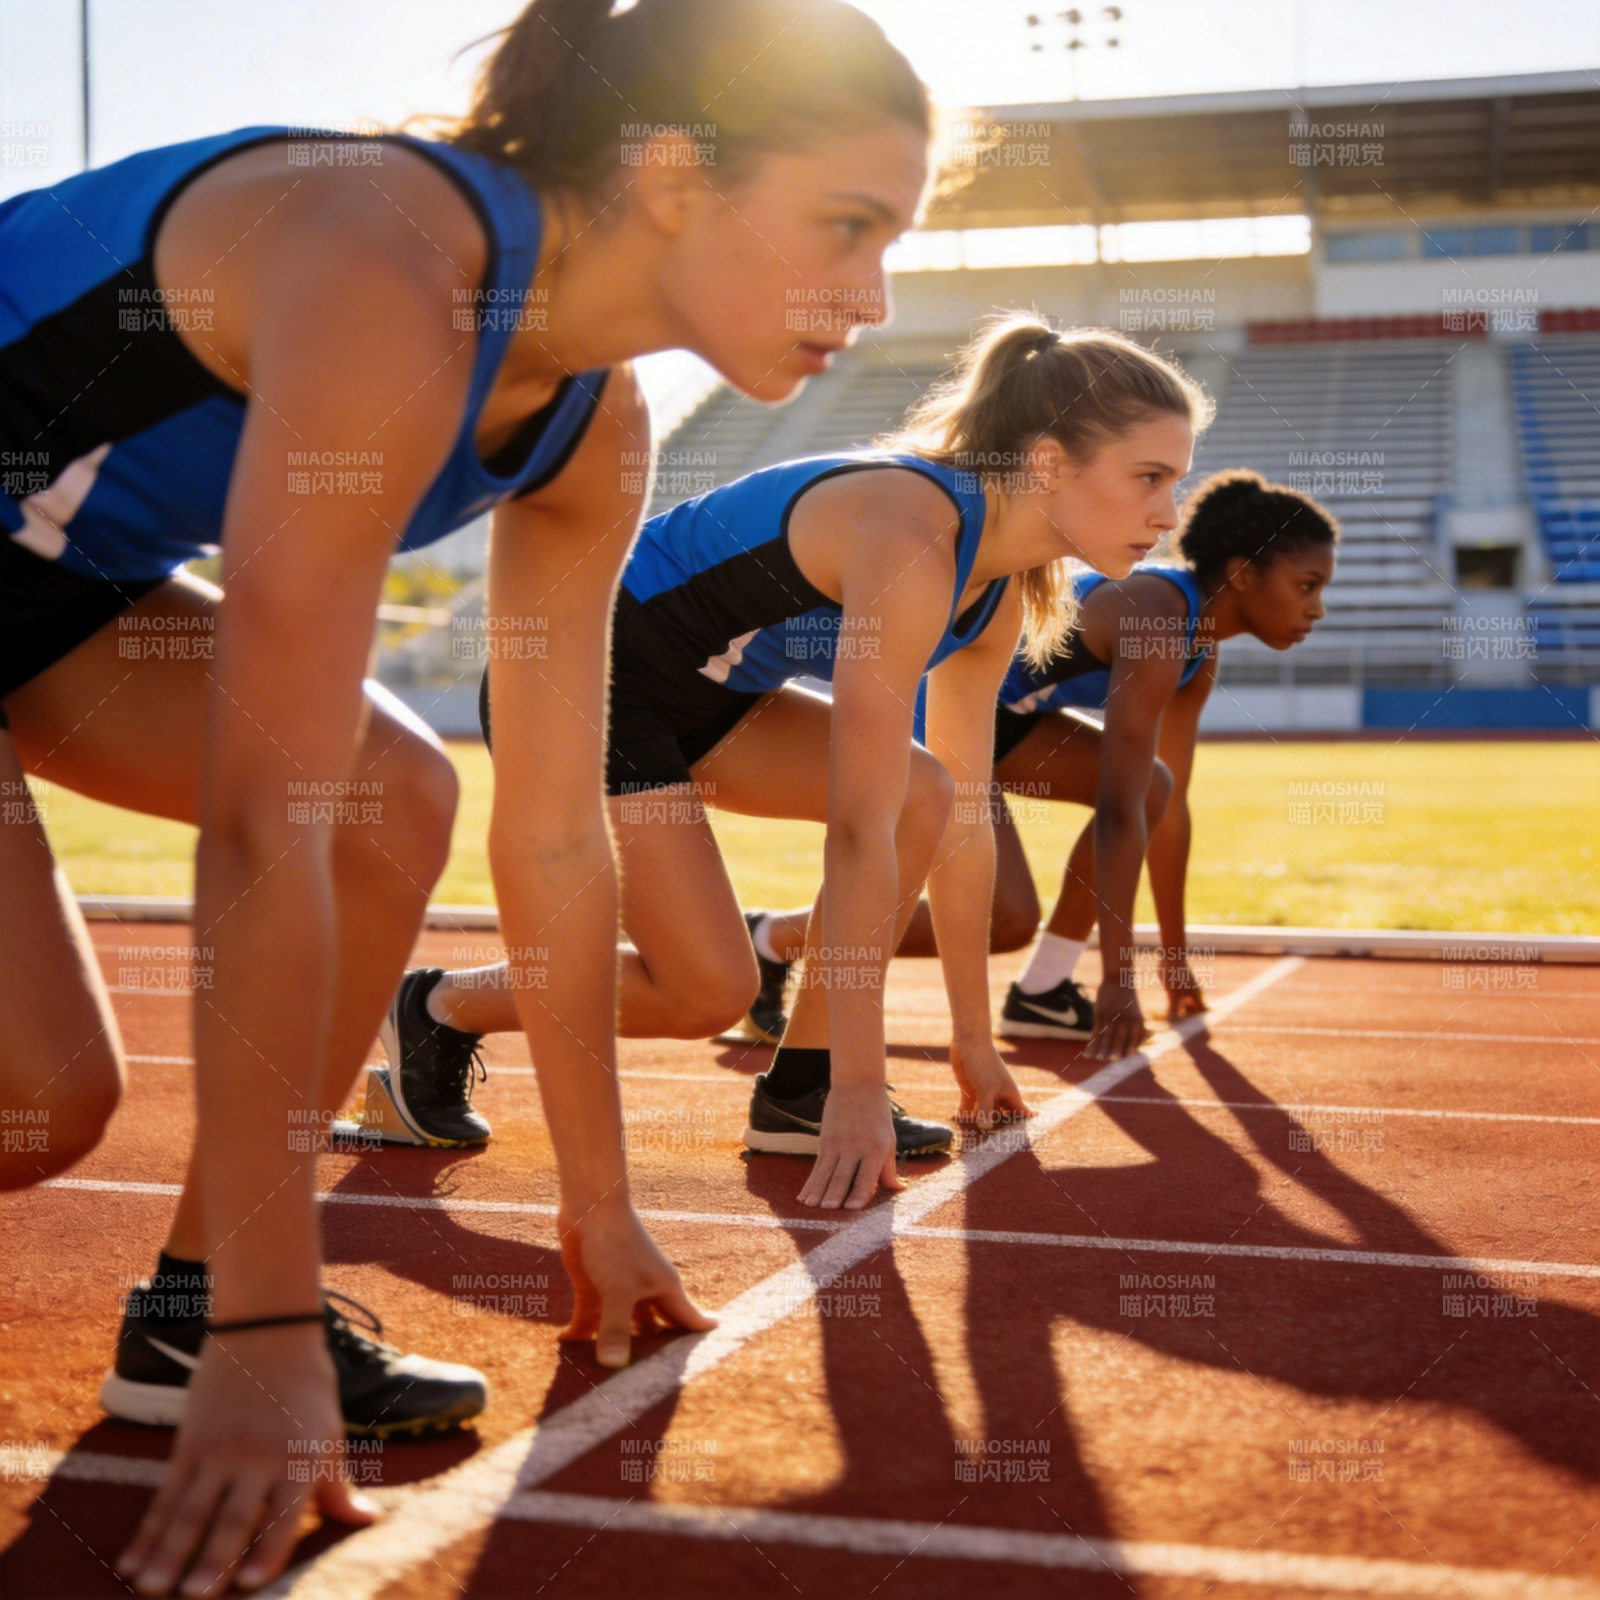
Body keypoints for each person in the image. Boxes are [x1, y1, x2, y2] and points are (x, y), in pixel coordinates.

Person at [0, 0, 934, 1591]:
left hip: (56, 589)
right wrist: (279, 1325)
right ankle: (236, 1313)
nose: (873, 294)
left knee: (399, 799)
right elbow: (262, 820)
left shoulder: (593, 426)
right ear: (670, 174)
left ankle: (190, 1310)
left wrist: (600, 1203)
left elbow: (557, 830)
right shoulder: (385, 261)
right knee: (44, 1097)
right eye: (847, 225)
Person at [377, 317, 1213, 1217]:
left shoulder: (999, 595)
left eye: (1176, 482)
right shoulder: (911, 529)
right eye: (1149, 478)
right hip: (582, 676)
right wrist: (866, 1081)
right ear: (1047, 463)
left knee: (929, 793)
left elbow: (964, 826)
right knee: (706, 992)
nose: (1169, 515)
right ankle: (436, 1006)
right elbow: (856, 828)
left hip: (711, 696)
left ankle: (802, 1085)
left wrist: (974, 1042)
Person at [744, 469, 1339, 1060]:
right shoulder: (1155, 615)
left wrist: (1175, 960)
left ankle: (1043, 988)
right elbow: (1119, 811)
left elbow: (1165, 808)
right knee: (1007, 919)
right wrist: (1119, 978)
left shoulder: (1197, 651)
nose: (1318, 609)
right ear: (1242, 574)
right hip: (943, 707)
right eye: (1307, 585)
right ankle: (770, 937)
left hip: (1008, 719)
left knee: (1156, 789)